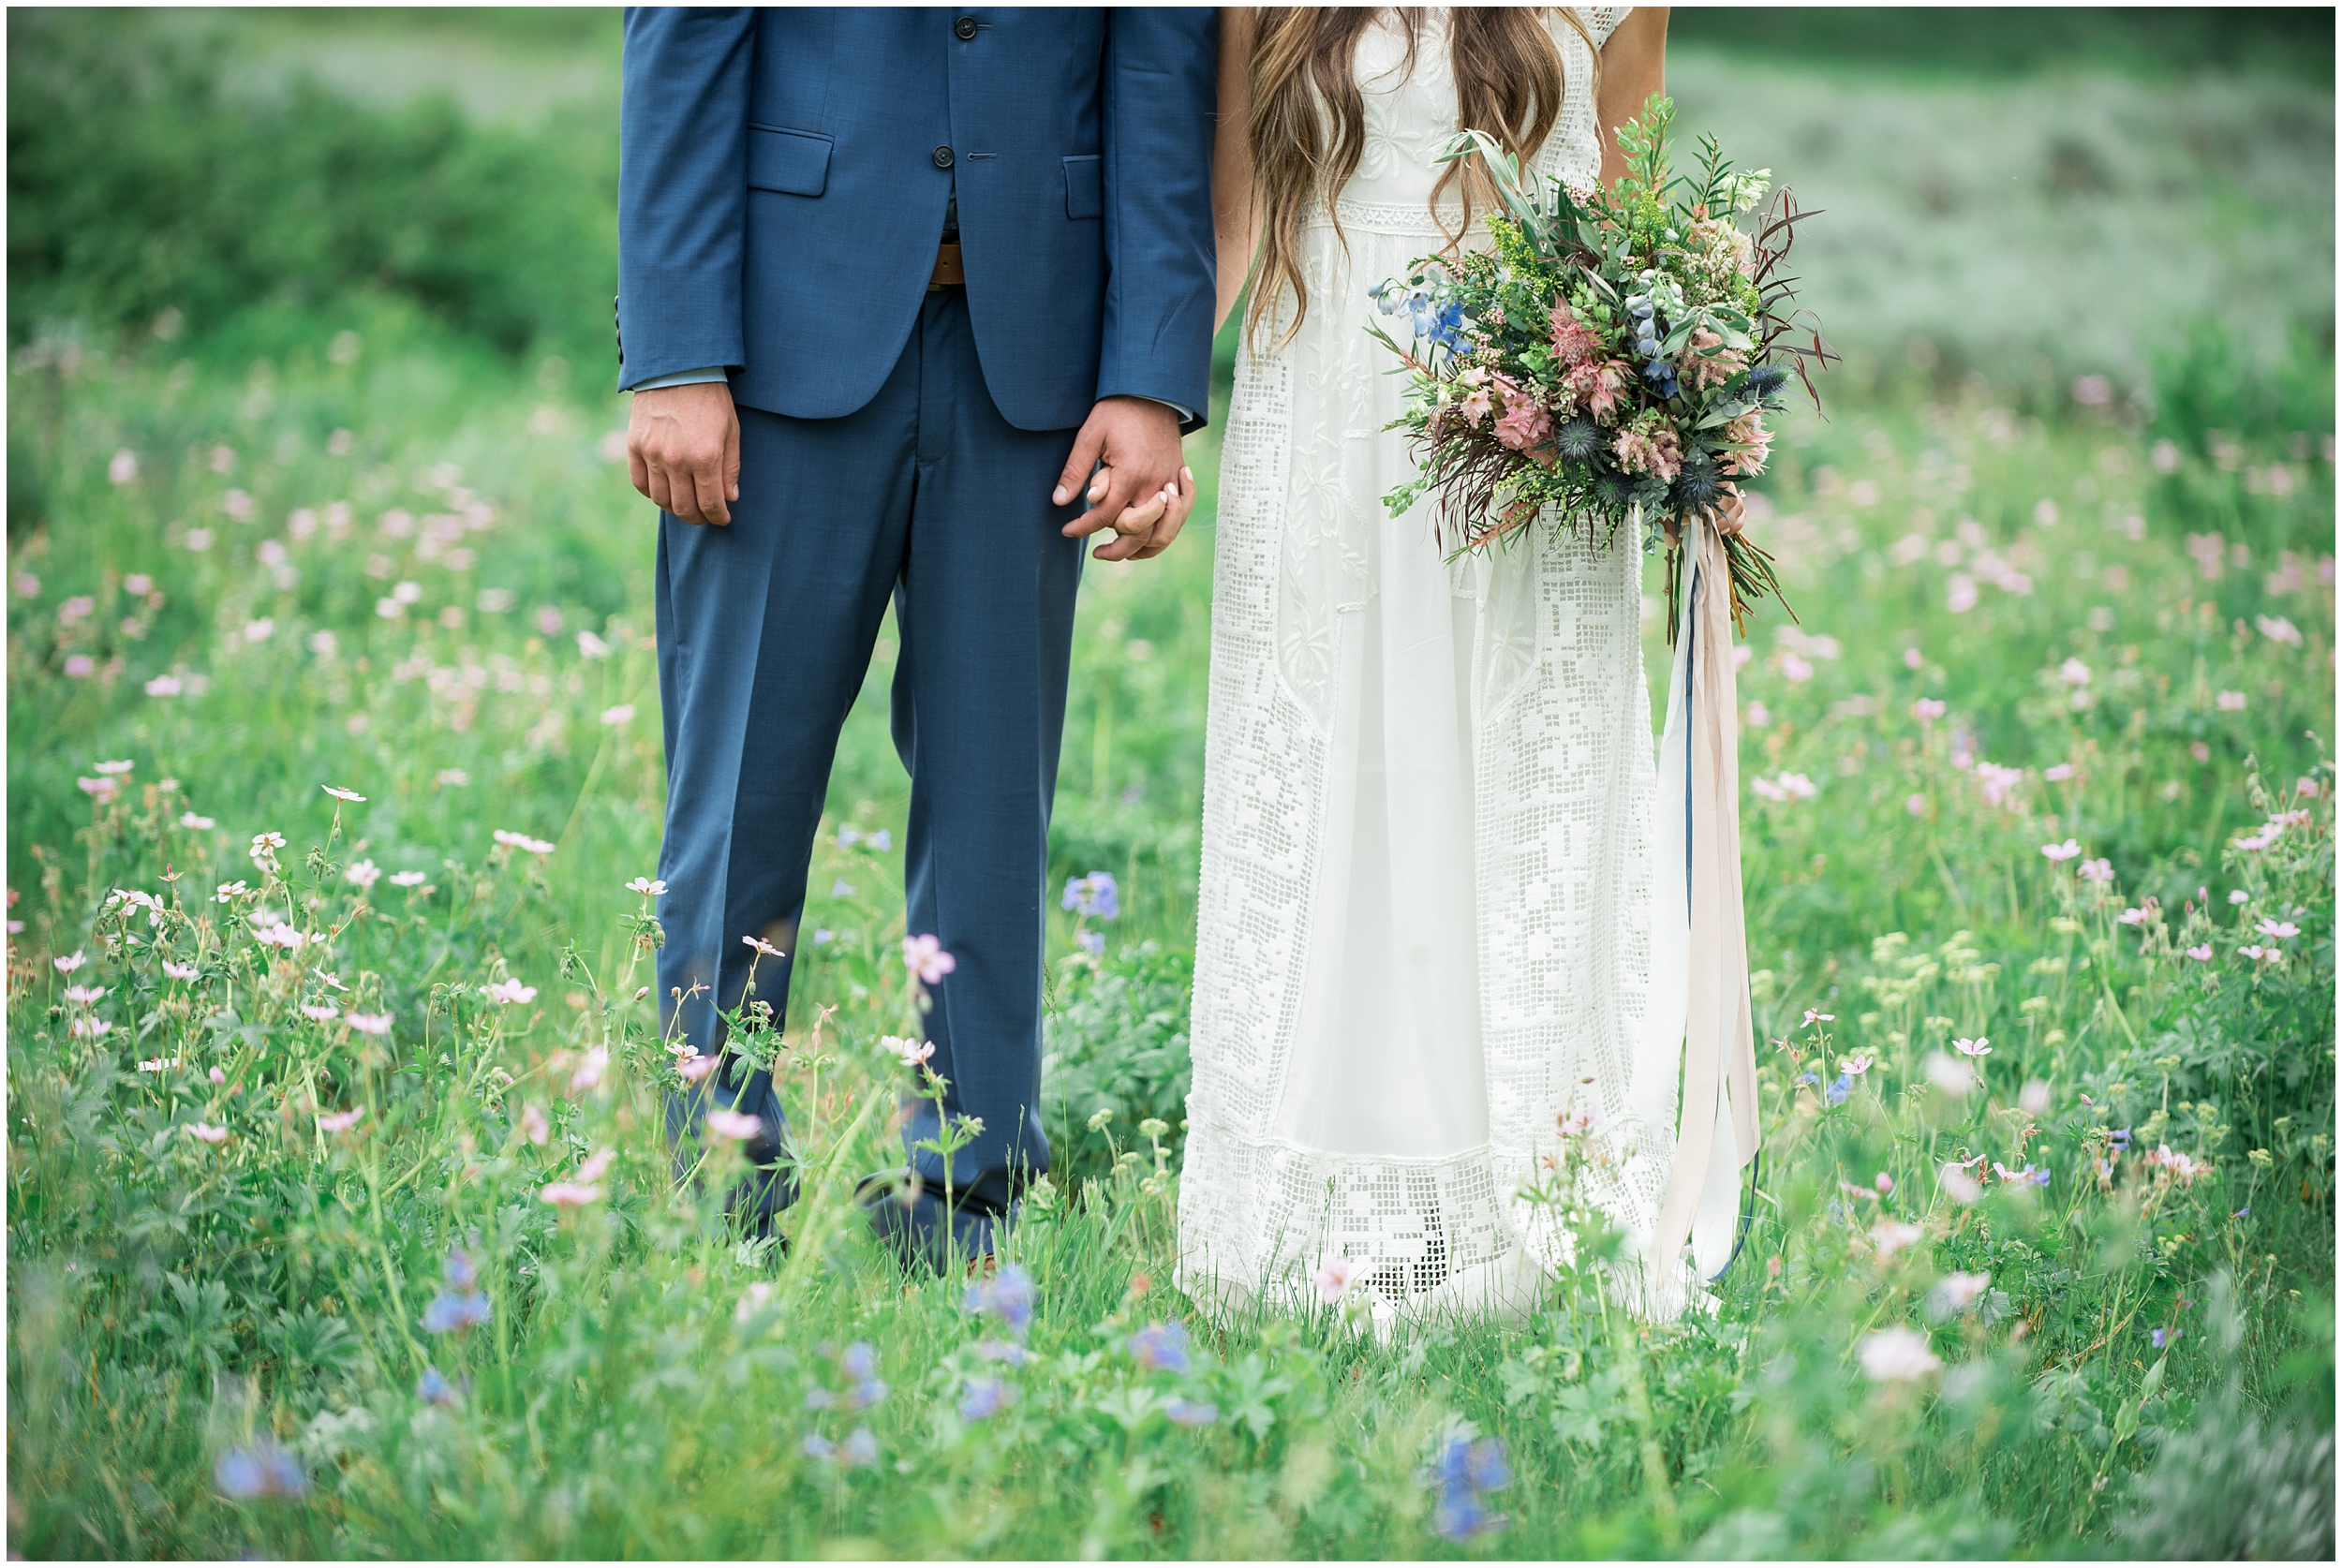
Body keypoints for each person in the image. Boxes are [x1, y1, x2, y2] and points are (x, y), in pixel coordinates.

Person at [1181, 6, 1756, 1330]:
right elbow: (1231, 224)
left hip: (1526, 454)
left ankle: (1530, 1206)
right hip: (1324, 425)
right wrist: (1142, 407)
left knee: (1512, 800)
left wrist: (1677, 422)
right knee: (1340, 785)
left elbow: (1632, 231)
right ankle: (1322, 1208)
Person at [616, 7, 1219, 1270]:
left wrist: (1152, 374)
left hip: (1035, 363)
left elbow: (1165, 65)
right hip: (777, 352)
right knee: (740, 795)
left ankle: (972, 1190)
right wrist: (675, 352)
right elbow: (681, 41)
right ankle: (716, 1178)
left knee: (994, 798)